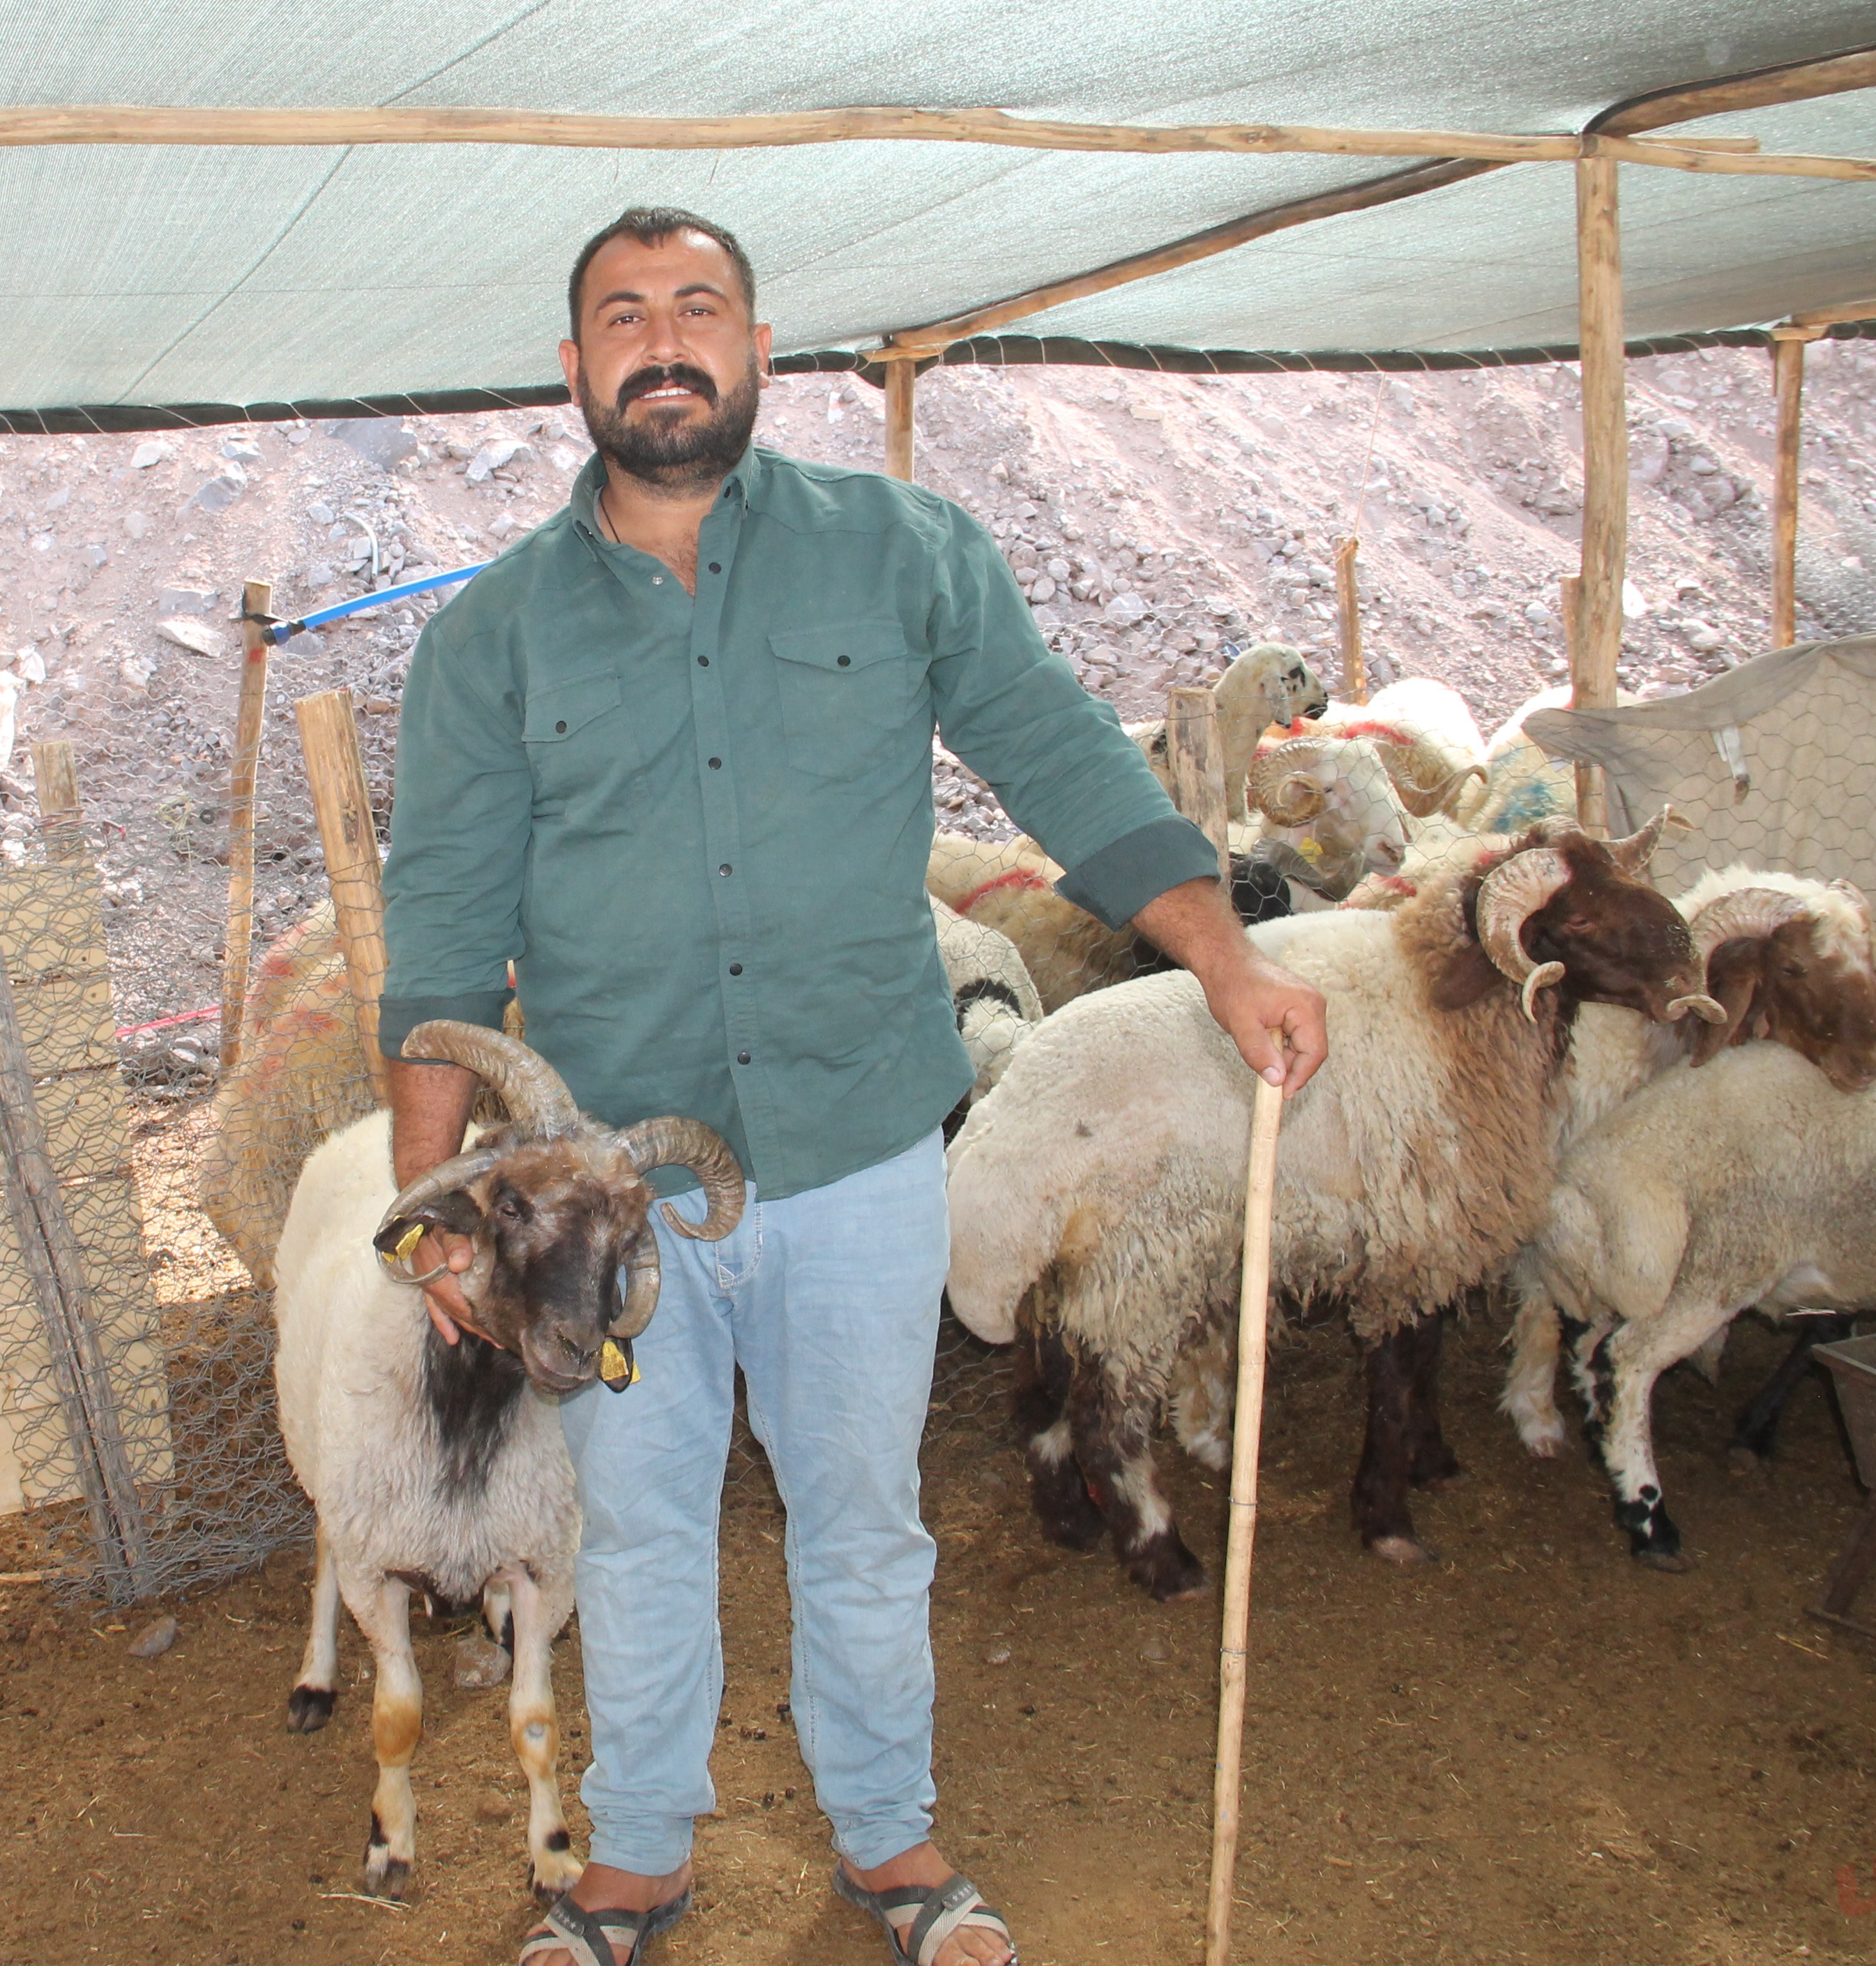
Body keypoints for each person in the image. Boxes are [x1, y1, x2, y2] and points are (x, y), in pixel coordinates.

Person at [377, 206, 1329, 1966]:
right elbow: (440, 937)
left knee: (864, 1515)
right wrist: (437, 1217)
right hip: (604, 1195)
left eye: (700, 307)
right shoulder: (490, 638)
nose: (665, 340)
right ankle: (641, 1858)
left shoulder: (903, 554)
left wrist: (1228, 954)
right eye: (623, 316)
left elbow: (1054, 745)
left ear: (754, 345)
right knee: (644, 1524)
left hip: (857, 1151)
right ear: (576, 366)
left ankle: (891, 1842)